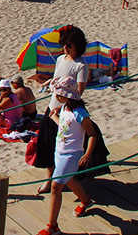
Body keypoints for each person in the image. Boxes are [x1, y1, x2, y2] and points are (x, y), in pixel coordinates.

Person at [33, 25, 89, 195]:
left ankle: (63, 179)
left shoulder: (81, 65)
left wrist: (62, 104)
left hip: (67, 110)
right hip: (52, 106)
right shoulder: (59, 59)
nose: (66, 49)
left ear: (78, 46)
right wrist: (48, 82)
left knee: (65, 147)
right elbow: (57, 79)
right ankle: (50, 179)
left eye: (70, 45)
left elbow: (78, 92)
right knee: (48, 145)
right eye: (64, 45)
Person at [38, 76, 96, 235]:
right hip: (60, 151)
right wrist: (54, 117)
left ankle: (52, 226)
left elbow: (92, 134)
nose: (56, 96)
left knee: (56, 187)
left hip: (72, 154)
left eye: (59, 94)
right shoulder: (64, 108)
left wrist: (87, 153)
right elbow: (64, 128)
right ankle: (86, 200)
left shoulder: (80, 113)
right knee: (69, 179)